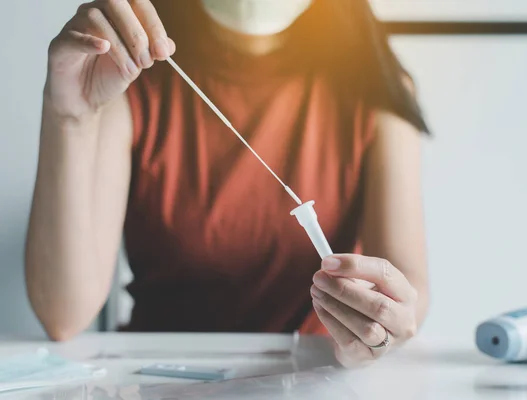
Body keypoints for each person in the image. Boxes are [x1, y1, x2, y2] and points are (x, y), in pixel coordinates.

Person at [25, 0, 430, 368]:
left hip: (314, 374)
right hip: (159, 378)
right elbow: (64, 316)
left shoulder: (372, 92)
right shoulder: (126, 75)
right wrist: (69, 117)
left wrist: (379, 327)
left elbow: (406, 291)